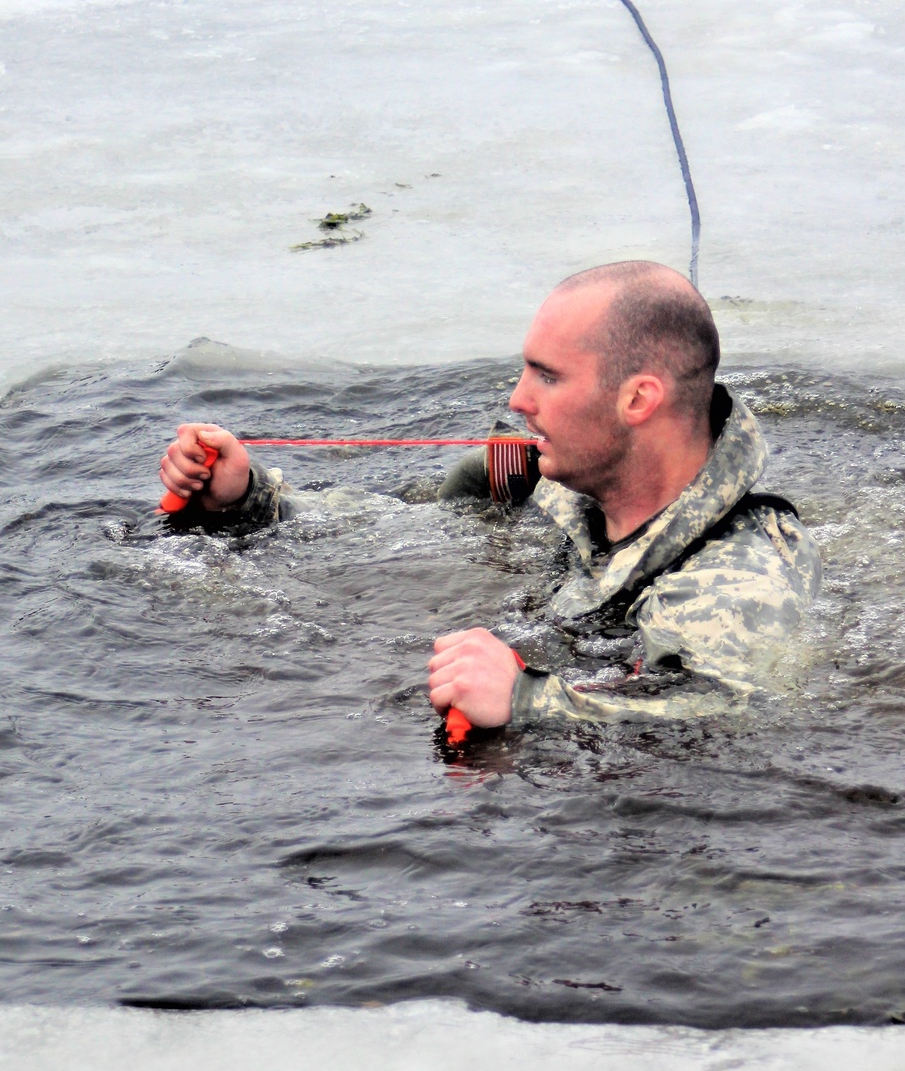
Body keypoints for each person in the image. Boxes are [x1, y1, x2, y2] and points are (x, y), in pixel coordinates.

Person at [158, 261, 821, 730]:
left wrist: (531, 701)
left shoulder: (738, 578)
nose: (517, 399)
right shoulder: (557, 481)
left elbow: (739, 706)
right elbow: (409, 523)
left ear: (638, 399)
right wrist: (248, 495)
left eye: (548, 376)